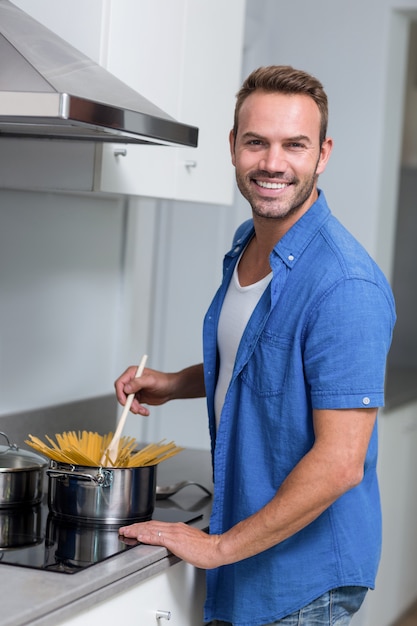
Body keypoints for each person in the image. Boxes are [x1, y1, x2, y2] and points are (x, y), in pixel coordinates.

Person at [116, 65, 396, 626]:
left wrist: (218, 548)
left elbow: (340, 465)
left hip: (303, 576)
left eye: (294, 144)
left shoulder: (345, 285)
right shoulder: (250, 244)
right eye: (256, 142)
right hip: (253, 541)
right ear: (233, 148)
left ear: (323, 154)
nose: (272, 163)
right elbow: (260, 359)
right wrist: (174, 384)